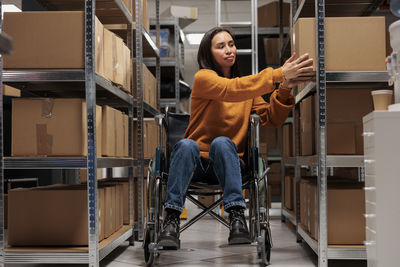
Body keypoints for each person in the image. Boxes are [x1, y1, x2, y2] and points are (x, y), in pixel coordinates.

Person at [158, 27, 313, 249]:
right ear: (208, 53)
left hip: (229, 163)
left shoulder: (247, 92)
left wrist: (286, 88)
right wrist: (279, 74)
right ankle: (171, 220)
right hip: (195, 165)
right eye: (221, 46)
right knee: (185, 144)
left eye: (231, 44)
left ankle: (238, 218)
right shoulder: (204, 78)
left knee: (222, 142)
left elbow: (272, 118)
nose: (229, 49)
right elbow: (230, 89)